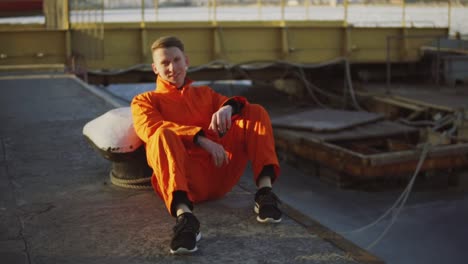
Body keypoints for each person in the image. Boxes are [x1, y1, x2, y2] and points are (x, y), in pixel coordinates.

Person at [131, 36, 282, 255]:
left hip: (219, 172)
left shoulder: (205, 94)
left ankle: (265, 193)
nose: (172, 67)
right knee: (161, 134)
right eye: (165, 63)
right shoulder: (144, 100)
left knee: (254, 111)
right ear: (155, 68)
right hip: (184, 182)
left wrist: (228, 108)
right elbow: (150, 128)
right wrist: (202, 140)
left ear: (186, 61)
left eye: (176, 60)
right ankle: (185, 219)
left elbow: (237, 105)